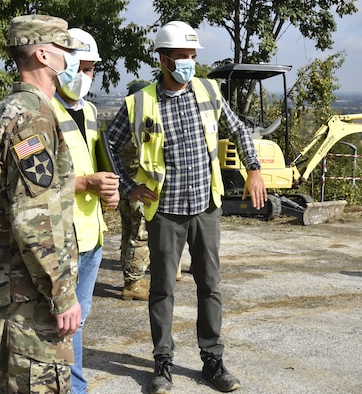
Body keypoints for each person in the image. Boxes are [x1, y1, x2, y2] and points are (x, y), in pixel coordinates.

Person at [103, 20, 267, 394]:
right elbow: (108, 143)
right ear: (163, 59)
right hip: (165, 210)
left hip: (206, 207)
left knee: (210, 285)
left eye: (193, 56)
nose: (189, 63)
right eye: (181, 56)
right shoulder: (140, 101)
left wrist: (253, 169)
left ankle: (212, 360)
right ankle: (162, 363)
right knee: (162, 289)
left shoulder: (208, 91)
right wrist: (128, 186)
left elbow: (239, 129)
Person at [0, 14, 82, 394]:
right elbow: (34, 217)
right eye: (66, 49)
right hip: (28, 292)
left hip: (10, 283)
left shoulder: (4, 110)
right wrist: (62, 294)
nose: (71, 58)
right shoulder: (31, 118)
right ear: (44, 54)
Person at [50, 27, 120, 394]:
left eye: (92, 70)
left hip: (91, 231)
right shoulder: (42, 111)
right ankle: (72, 388)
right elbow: (34, 184)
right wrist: (85, 184)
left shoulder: (90, 111)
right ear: (65, 64)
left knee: (80, 316)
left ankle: (73, 384)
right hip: (60, 235)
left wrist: (110, 189)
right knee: (62, 319)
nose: (86, 77)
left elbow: (95, 163)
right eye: (83, 67)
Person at [117, 81, 152, 302]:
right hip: (138, 191)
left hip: (125, 189)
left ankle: (132, 278)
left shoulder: (122, 126)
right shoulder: (139, 129)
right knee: (140, 237)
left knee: (128, 233)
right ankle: (133, 284)